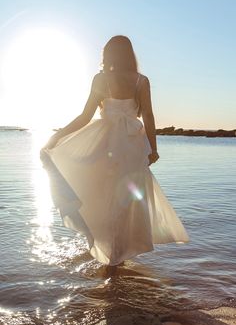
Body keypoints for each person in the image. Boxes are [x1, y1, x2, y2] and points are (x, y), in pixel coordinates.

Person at [41, 35, 189, 266]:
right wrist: (153, 148)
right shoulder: (141, 80)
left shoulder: (101, 79)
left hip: (106, 142)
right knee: (126, 201)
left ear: (107, 55)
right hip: (132, 145)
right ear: (130, 55)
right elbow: (148, 115)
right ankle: (117, 257)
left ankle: (111, 257)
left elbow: (85, 116)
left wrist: (57, 137)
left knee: (101, 196)